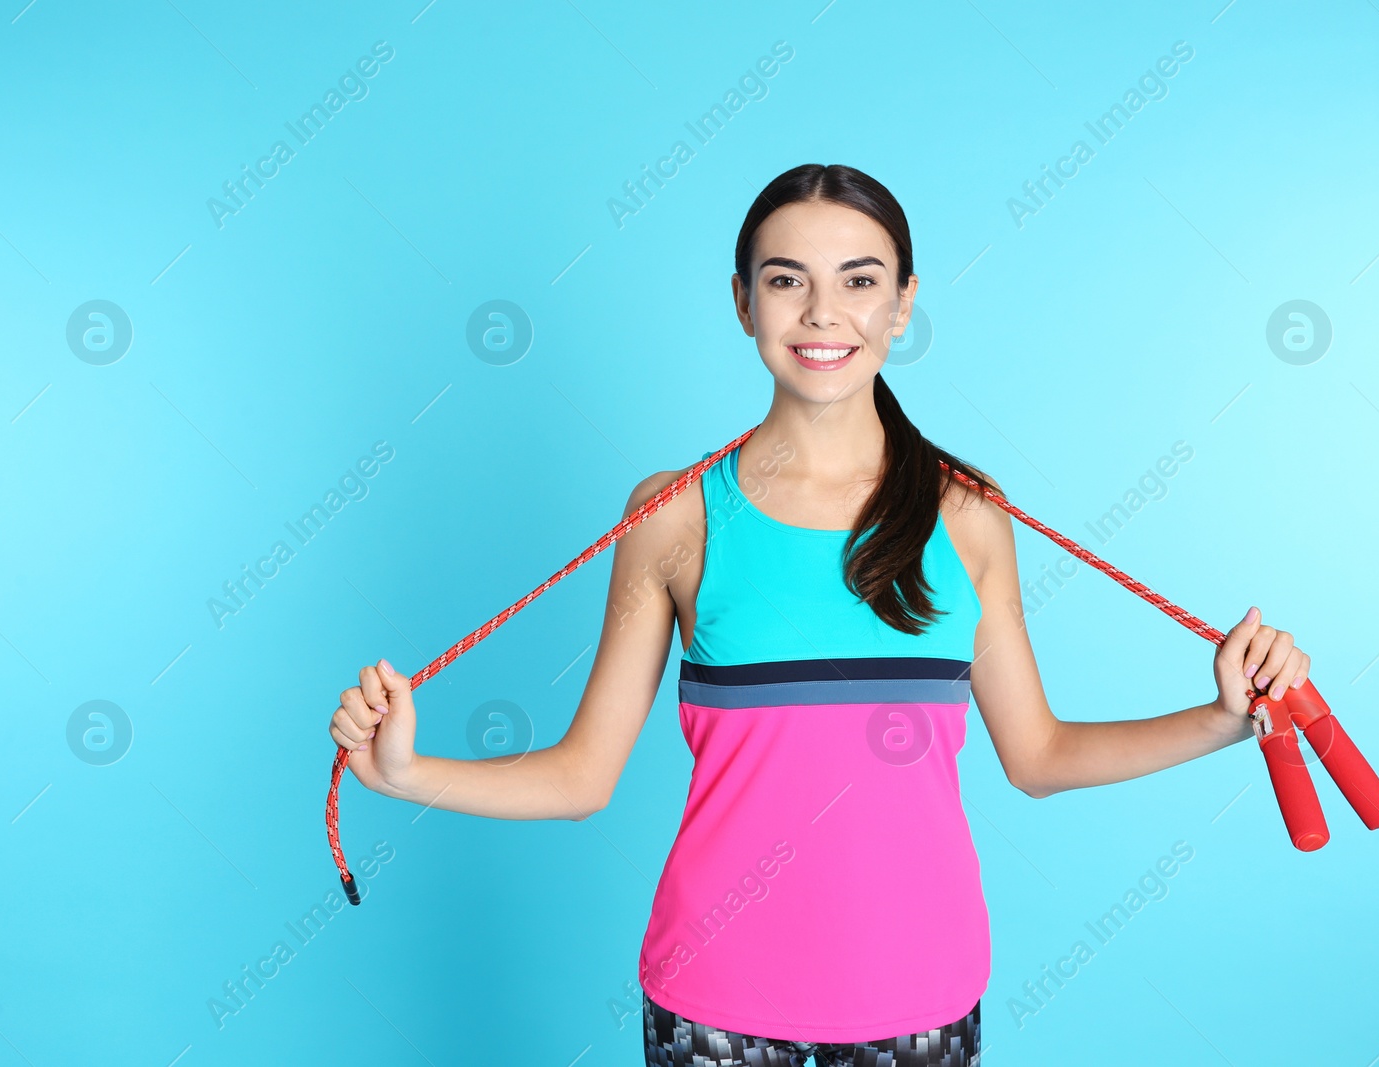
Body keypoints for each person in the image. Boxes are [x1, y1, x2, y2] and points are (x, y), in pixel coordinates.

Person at [327, 163, 1310, 1067]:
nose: (822, 310)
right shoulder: (671, 515)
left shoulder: (967, 512)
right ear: (743, 300)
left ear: (902, 304)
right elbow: (582, 775)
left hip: (918, 993)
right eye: (787, 278)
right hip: (712, 998)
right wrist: (408, 769)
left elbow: (1039, 754)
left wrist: (1225, 718)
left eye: (859, 278)